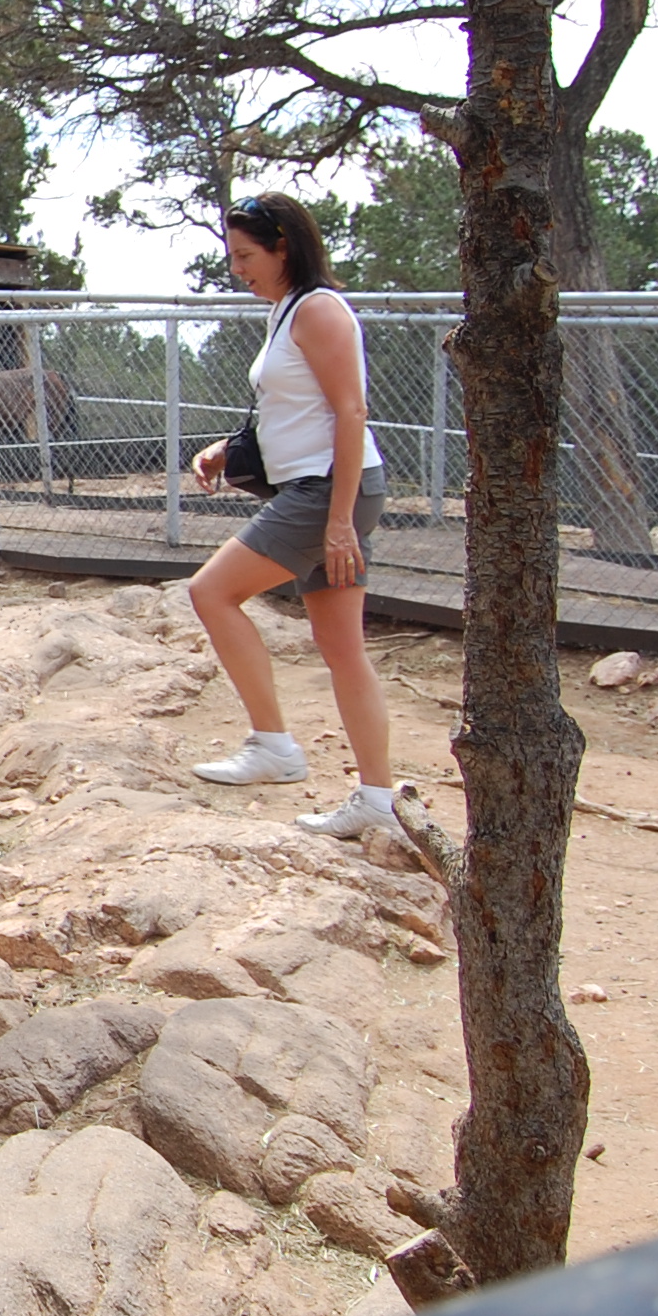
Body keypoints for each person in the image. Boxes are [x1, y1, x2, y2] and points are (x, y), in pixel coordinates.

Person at [184, 191, 396, 837]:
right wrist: (229, 449)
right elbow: (295, 407)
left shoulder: (318, 310)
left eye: (246, 256)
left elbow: (350, 412)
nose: (237, 269)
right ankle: (378, 801)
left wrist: (338, 521)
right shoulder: (287, 309)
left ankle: (273, 747)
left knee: (211, 592)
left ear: (283, 247)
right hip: (322, 489)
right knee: (342, 647)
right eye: (232, 257)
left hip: (326, 492)